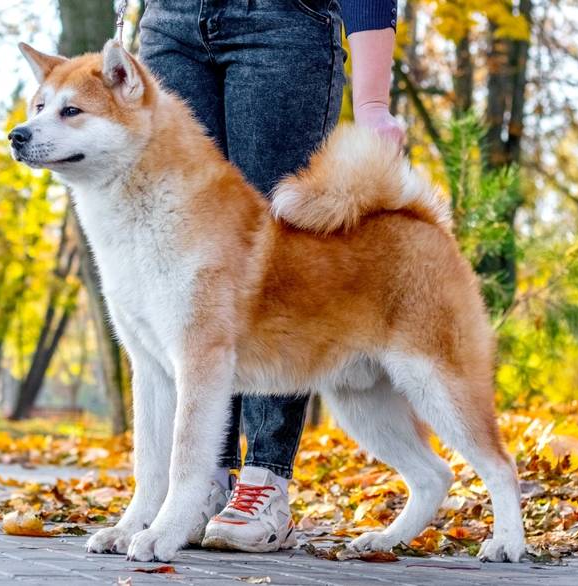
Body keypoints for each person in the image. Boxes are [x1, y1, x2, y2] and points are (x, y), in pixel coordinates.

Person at [138, 0, 405, 552]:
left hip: (282, 24)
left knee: (283, 250)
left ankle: (264, 478)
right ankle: (196, 486)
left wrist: (374, 102)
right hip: (170, 25)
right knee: (183, 245)